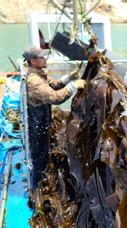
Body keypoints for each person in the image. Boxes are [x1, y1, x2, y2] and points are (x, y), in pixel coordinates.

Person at [23, 46, 86, 189]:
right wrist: (73, 86)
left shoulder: (39, 74)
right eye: (42, 57)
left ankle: (42, 177)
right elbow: (55, 97)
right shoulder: (33, 81)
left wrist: (69, 77)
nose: (45, 58)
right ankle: (38, 185)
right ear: (33, 61)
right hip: (37, 122)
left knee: (44, 150)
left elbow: (55, 85)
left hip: (42, 118)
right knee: (39, 154)